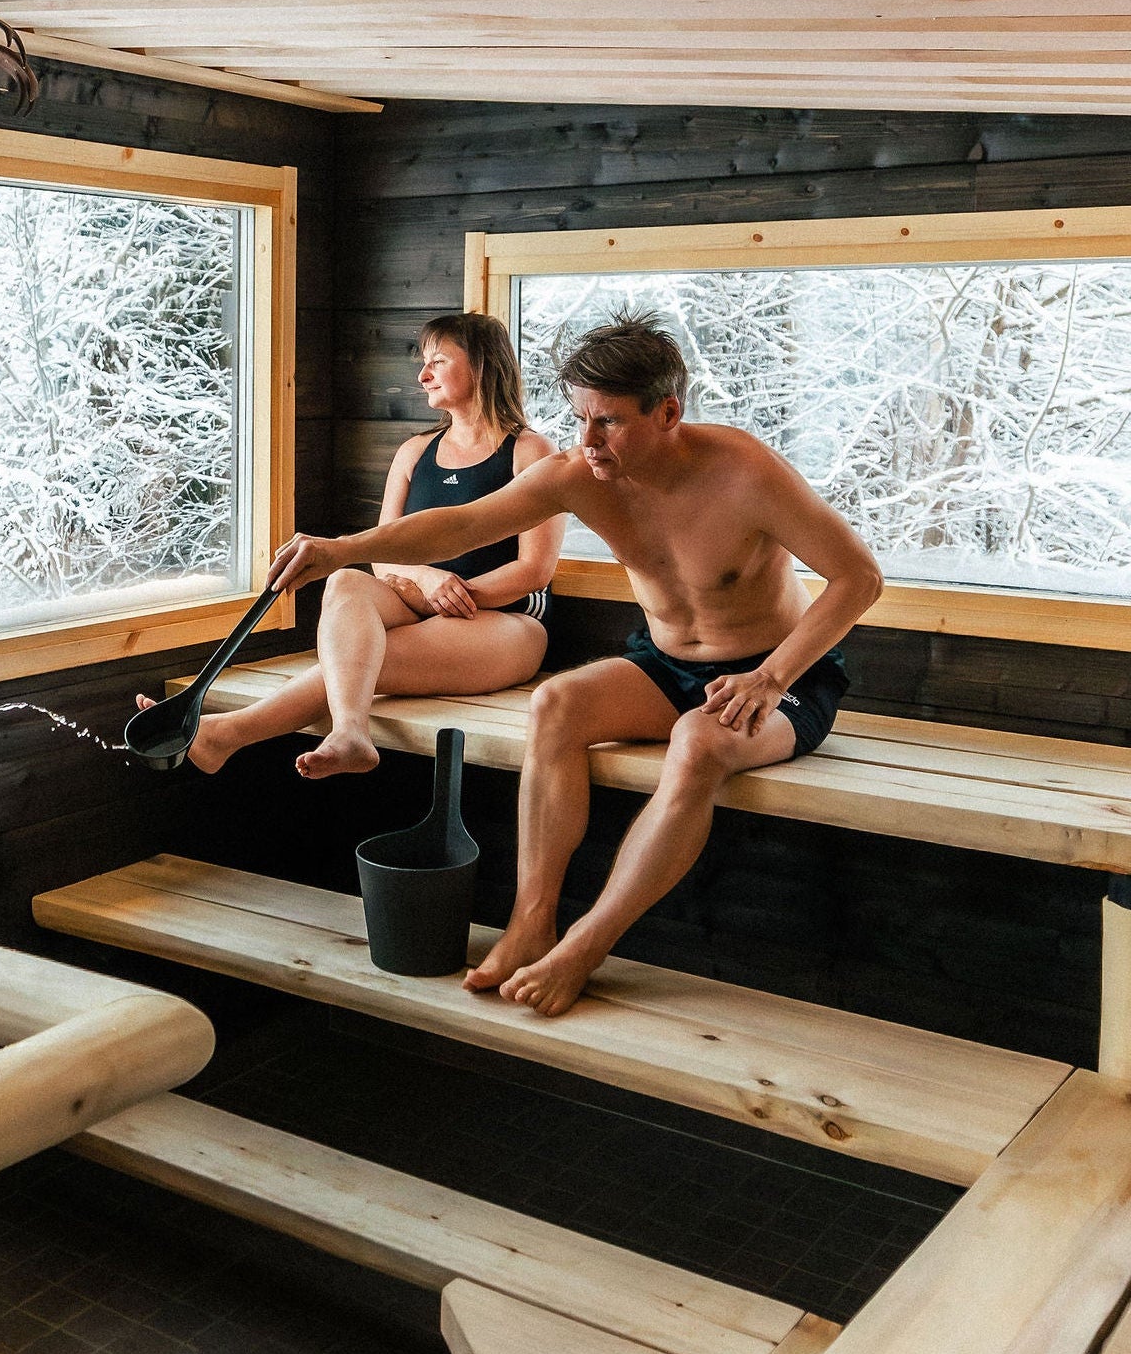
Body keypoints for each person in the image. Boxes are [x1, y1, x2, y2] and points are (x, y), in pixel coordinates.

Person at [269, 311, 883, 1017]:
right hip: (667, 662)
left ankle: (586, 944)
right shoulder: (580, 473)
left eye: (609, 422)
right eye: (579, 418)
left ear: (668, 412)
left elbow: (859, 577)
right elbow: (465, 523)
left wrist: (771, 677)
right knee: (555, 704)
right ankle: (534, 920)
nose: (587, 440)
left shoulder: (743, 472)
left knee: (698, 742)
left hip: (782, 679)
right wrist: (342, 549)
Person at [139, 312, 564, 779]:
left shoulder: (530, 451)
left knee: (363, 660)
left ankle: (228, 732)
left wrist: (457, 595)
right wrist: (426, 580)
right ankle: (348, 732)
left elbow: (534, 571)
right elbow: (383, 554)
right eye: (424, 362)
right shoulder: (415, 452)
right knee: (344, 579)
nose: (423, 375)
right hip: (415, 600)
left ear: (482, 366)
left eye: (438, 361)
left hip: (508, 622)